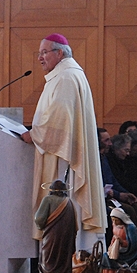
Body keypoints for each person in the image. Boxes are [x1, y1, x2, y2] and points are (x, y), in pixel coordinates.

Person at [21, 33, 106, 249]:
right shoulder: (65, 74)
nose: (40, 58)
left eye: (44, 52)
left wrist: (35, 134)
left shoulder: (66, 77)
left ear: (59, 53)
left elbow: (59, 119)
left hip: (64, 158)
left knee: (65, 203)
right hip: (63, 153)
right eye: (39, 53)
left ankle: (72, 259)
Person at [34, 180, 79, 273]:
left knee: (48, 264)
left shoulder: (48, 200)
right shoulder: (69, 203)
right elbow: (75, 226)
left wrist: (43, 225)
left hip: (51, 239)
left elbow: (39, 219)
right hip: (67, 241)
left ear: (52, 190)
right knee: (63, 265)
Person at [96, 207, 137, 273]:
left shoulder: (130, 228)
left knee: (109, 257)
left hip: (128, 252)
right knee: (105, 255)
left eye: (115, 220)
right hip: (116, 248)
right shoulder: (115, 225)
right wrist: (112, 246)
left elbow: (134, 244)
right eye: (112, 220)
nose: (114, 222)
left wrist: (122, 242)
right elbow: (114, 237)